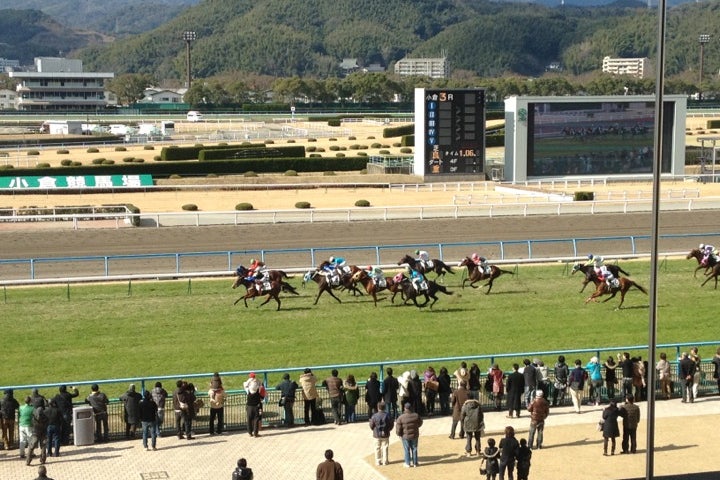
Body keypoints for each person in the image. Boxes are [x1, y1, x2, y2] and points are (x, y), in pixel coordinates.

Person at [396, 402, 423, 468]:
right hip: (414, 435)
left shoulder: (401, 417)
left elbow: (398, 428)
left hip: (405, 436)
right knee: (414, 448)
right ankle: (415, 463)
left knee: (406, 449)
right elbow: (420, 423)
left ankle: (407, 463)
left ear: (405, 408)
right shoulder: (416, 415)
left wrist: (399, 434)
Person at [369, 402, 394, 466]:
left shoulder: (374, 416)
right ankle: (385, 461)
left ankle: (378, 461)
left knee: (377, 448)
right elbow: (391, 424)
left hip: (376, 434)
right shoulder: (387, 415)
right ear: (385, 408)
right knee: (385, 447)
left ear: (378, 408)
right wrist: (389, 429)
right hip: (385, 433)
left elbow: (371, 425)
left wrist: (373, 430)